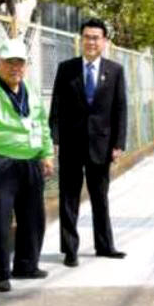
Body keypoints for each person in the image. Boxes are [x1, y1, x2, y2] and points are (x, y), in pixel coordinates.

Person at [0, 38, 54, 293]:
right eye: (9, 62)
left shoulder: (32, 90)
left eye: (20, 63)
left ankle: (27, 265)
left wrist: (46, 154)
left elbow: (41, 124)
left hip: (30, 161)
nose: (15, 67)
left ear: (25, 66)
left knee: (33, 217)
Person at [49, 18, 127, 267]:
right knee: (68, 198)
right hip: (71, 144)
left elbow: (120, 109)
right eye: (87, 37)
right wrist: (55, 138)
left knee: (100, 197)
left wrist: (118, 143)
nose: (91, 42)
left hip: (101, 146)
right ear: (81, 40)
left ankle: (105, 245)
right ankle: (70, 250)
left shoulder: (114, 70)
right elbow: (57, 106)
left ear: (104, 42)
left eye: (96, 37)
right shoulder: (66, 69)